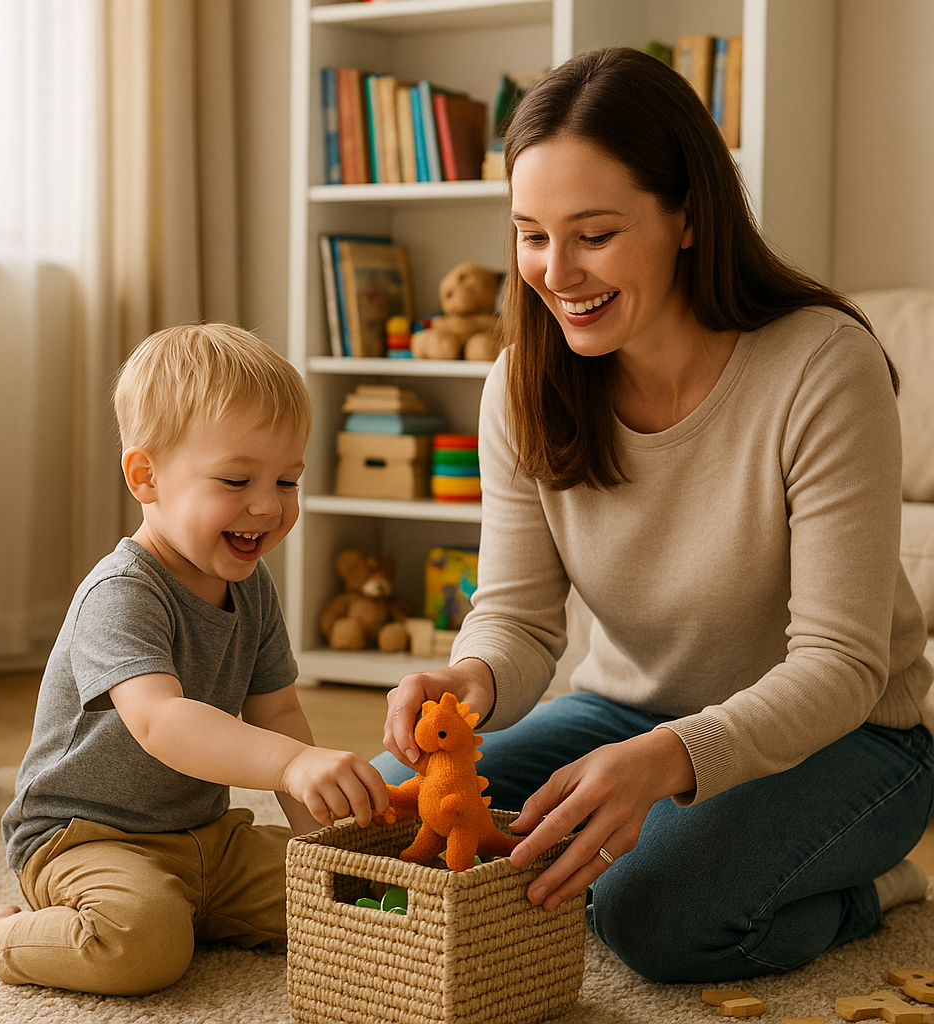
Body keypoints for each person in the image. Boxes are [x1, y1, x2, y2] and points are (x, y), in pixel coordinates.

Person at [376, 47, 934, 984]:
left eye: (594, 234)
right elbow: (515, 618)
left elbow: (841, 668)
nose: (557, 273)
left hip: (855, 740)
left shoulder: (822, 367)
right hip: (623, 713)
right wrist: (470, 677)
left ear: (685, 216)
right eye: (531, 234)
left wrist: (670, 760)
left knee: (649, 914)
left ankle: (872, 890)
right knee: (394, 816)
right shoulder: (522, 383)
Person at [0, 323, 390, 995]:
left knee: (350, 903)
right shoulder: (121, 594)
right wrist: (291, 766)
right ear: (147, 478)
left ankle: (192, 905)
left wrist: (336, 852)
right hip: (83, 838)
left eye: (287, 479)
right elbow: (161, 722)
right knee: (141, 948)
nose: (268, 506)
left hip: (205, 835)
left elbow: (279, 710)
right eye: (237, 480)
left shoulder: (252, 587)